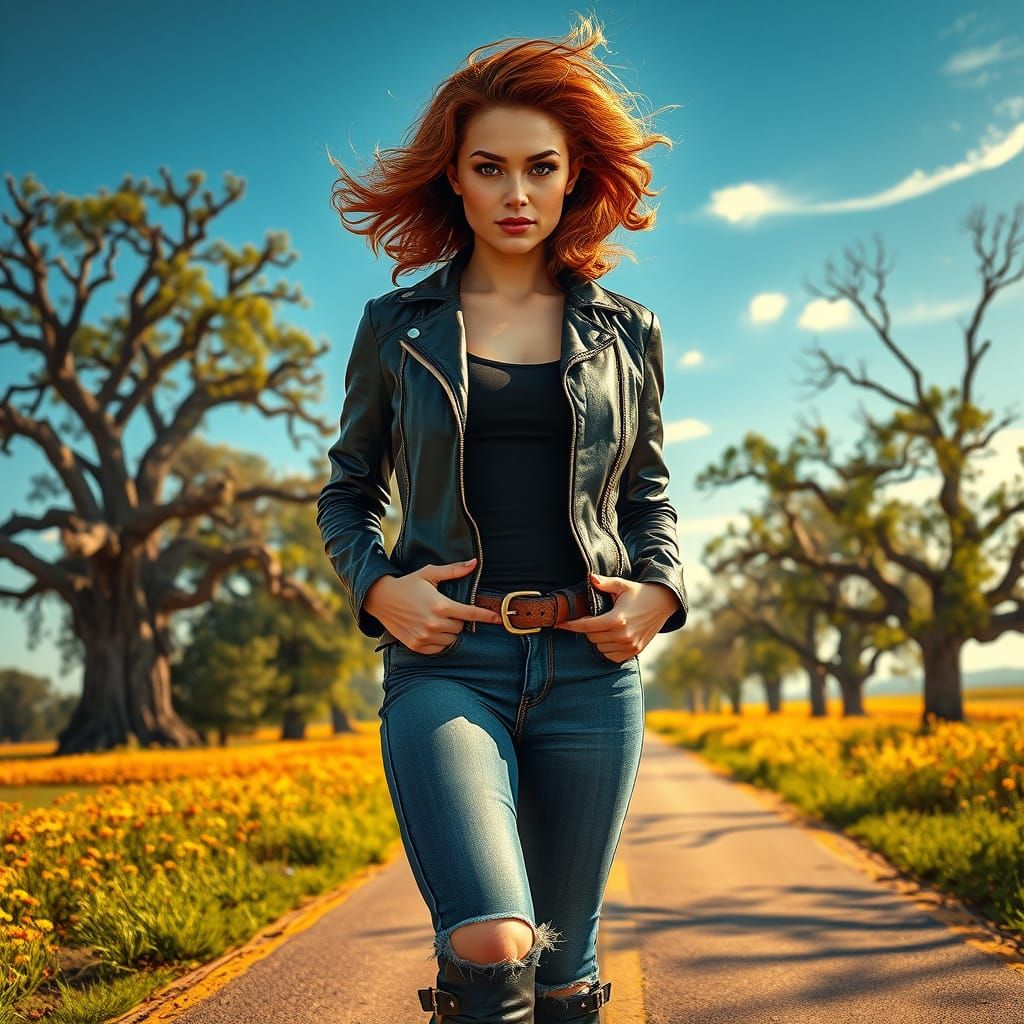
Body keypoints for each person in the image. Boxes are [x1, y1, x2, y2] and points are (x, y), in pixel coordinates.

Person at [317, 15, 688, 1023]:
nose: (515, 194)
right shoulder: (396, 330)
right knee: (492, 938)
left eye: (539, 168)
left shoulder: (627, 333)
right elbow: (348, 490)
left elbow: (646, 494)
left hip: (589, 671)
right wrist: (379, 588)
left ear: (574, 177)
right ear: (454, 177)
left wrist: (659, 593)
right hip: (447, 665)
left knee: (565, 971)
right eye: (489, 168)